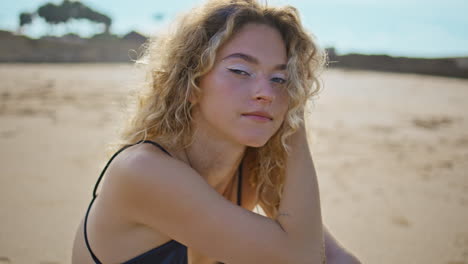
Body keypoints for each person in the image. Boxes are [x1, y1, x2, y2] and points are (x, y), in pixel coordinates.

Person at [72, 0, 361, 263]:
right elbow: (301, 258)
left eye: (280, 78)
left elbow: (335, 259)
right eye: (240, 71)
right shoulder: (143, 171)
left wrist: (291, 104)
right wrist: (294, 118)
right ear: (190, 84)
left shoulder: (251, 167)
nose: (266, 93)